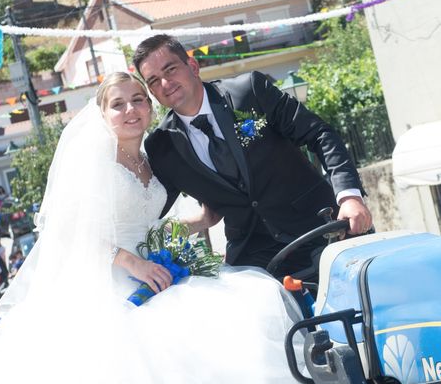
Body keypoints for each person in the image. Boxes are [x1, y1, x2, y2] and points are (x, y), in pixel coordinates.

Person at [0, 72, 306, 384]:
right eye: (118, 103)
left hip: (157, 270)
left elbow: (146, 228)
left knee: (249, 314)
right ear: (102, 113)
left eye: (138, 99)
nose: (130, 110)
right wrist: (132, 263)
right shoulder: (93, 162)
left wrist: (200, 220)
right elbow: (71, 233)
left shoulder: (149, 158)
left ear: (150, 106)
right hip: (111, 285)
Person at [134, 34, 373, 279]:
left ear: (193, 66)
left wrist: (349, 197)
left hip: (323, 230)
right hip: (255, 258)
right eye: (153, 80)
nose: (165, 83)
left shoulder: (249, 91)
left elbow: (319, 134)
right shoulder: (162, 146)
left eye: (170, 69)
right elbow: (150, 211)